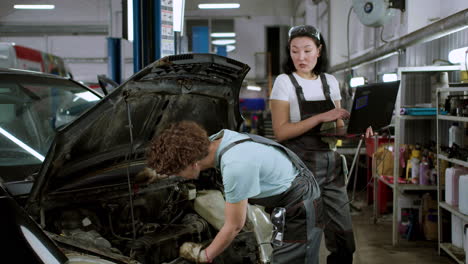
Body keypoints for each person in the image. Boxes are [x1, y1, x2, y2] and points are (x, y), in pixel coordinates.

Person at [146, 121, 322, 264]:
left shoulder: (235, 166)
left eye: (177, 172)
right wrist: (157, 173)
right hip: (286, 188)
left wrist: (205, 256)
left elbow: (234, 226)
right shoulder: (214, 140)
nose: (177, 177)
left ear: (193, 164)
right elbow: (180, 150)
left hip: (300, 202)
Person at [270, 25, 373, 264]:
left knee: (343, 237)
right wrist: (318, 117)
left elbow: (337, 128)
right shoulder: (284, 82)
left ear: (319, 50)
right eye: (295, 51)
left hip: (331, 165)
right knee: (305, 234)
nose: (301, 57)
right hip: (301, 169)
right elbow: (281, 132)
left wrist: (358, 129)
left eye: (307, 50)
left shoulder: (329, 81)